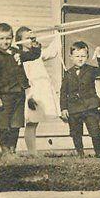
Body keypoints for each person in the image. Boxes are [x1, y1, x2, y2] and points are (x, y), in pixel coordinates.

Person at [0, 22, 41, 155]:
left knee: (16, 125)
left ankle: (12, 149)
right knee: (4, 125)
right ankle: (5, 150)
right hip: (4, 96)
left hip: (18, 94)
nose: (6, 41)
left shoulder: (16, 52)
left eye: (8, 38)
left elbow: (34, 55)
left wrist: (33, 42)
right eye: (2, 38)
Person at [15, 26, 61, 155]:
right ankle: (32, 152)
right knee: (31, 122)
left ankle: (33, 152)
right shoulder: (20, 58)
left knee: (35, 123)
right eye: (27, 38)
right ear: (19, 40)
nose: (30, 40)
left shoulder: (37, 54)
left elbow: (53, 52)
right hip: (31, 92)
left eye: (32, 38)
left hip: (42, 91)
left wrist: (57, 33)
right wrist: (30, 96)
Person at [60, 41, 100, 157]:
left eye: (83, 56)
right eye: (77, 56)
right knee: (76, 132)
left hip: (89, 106)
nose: (80, 59)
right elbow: (63, 92)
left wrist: (99, 56)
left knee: (95, 130)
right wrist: (64, 108)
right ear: (71, 57)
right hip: (74, 108)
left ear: (87, 57)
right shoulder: (68, 74)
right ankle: (80, 153)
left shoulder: (90, 70)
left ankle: (98, 153)